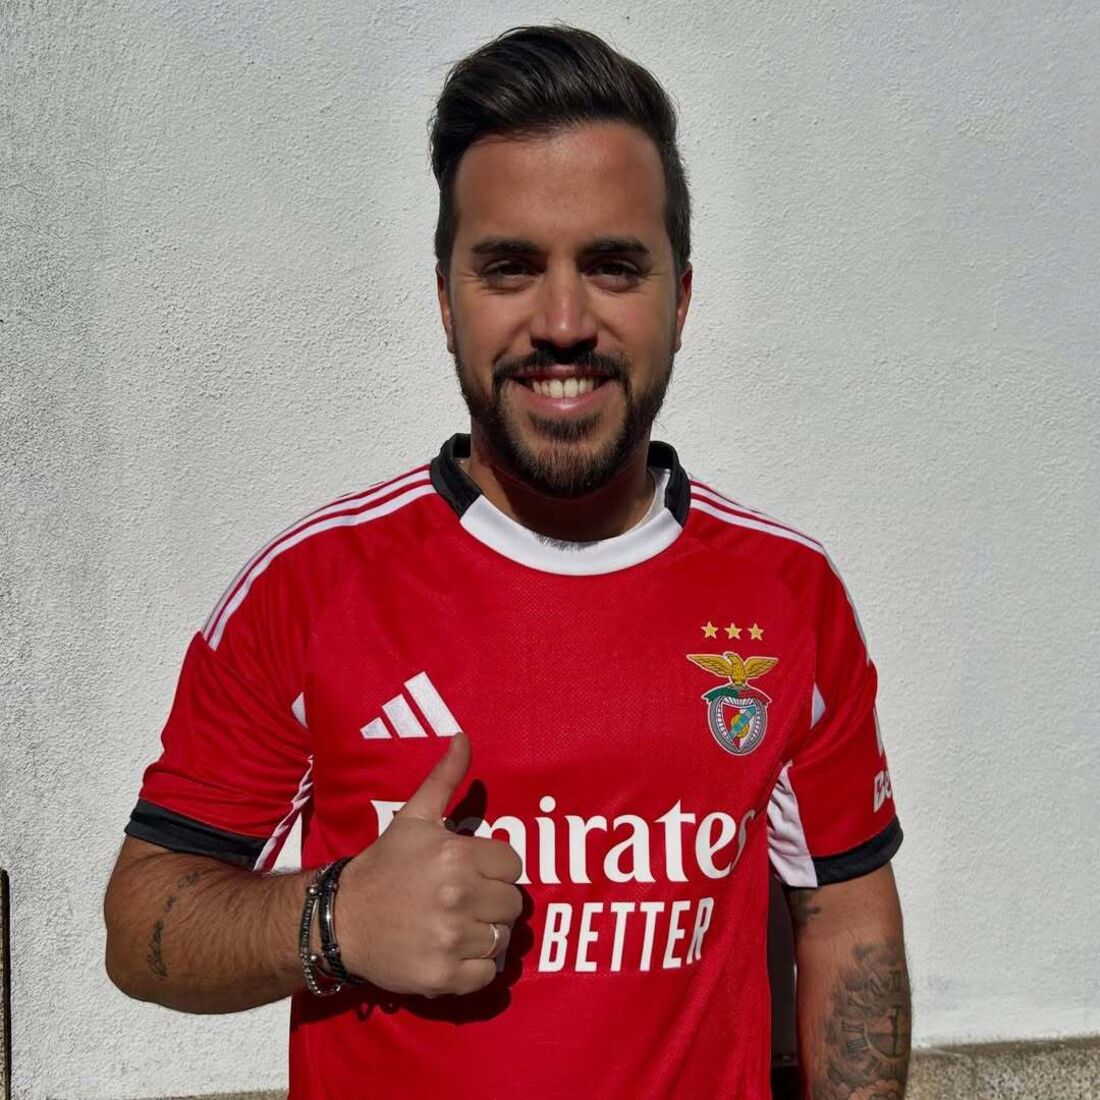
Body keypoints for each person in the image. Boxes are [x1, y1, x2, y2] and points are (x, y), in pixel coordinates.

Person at [104, 24, 910, 1100]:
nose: (562, 322)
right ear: (447, 301)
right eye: (510, 268)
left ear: (679, 299)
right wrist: (335, 919)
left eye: (612, 266)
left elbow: (844, 910)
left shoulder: (787, 592)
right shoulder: (311, 586)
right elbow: (141, 923)